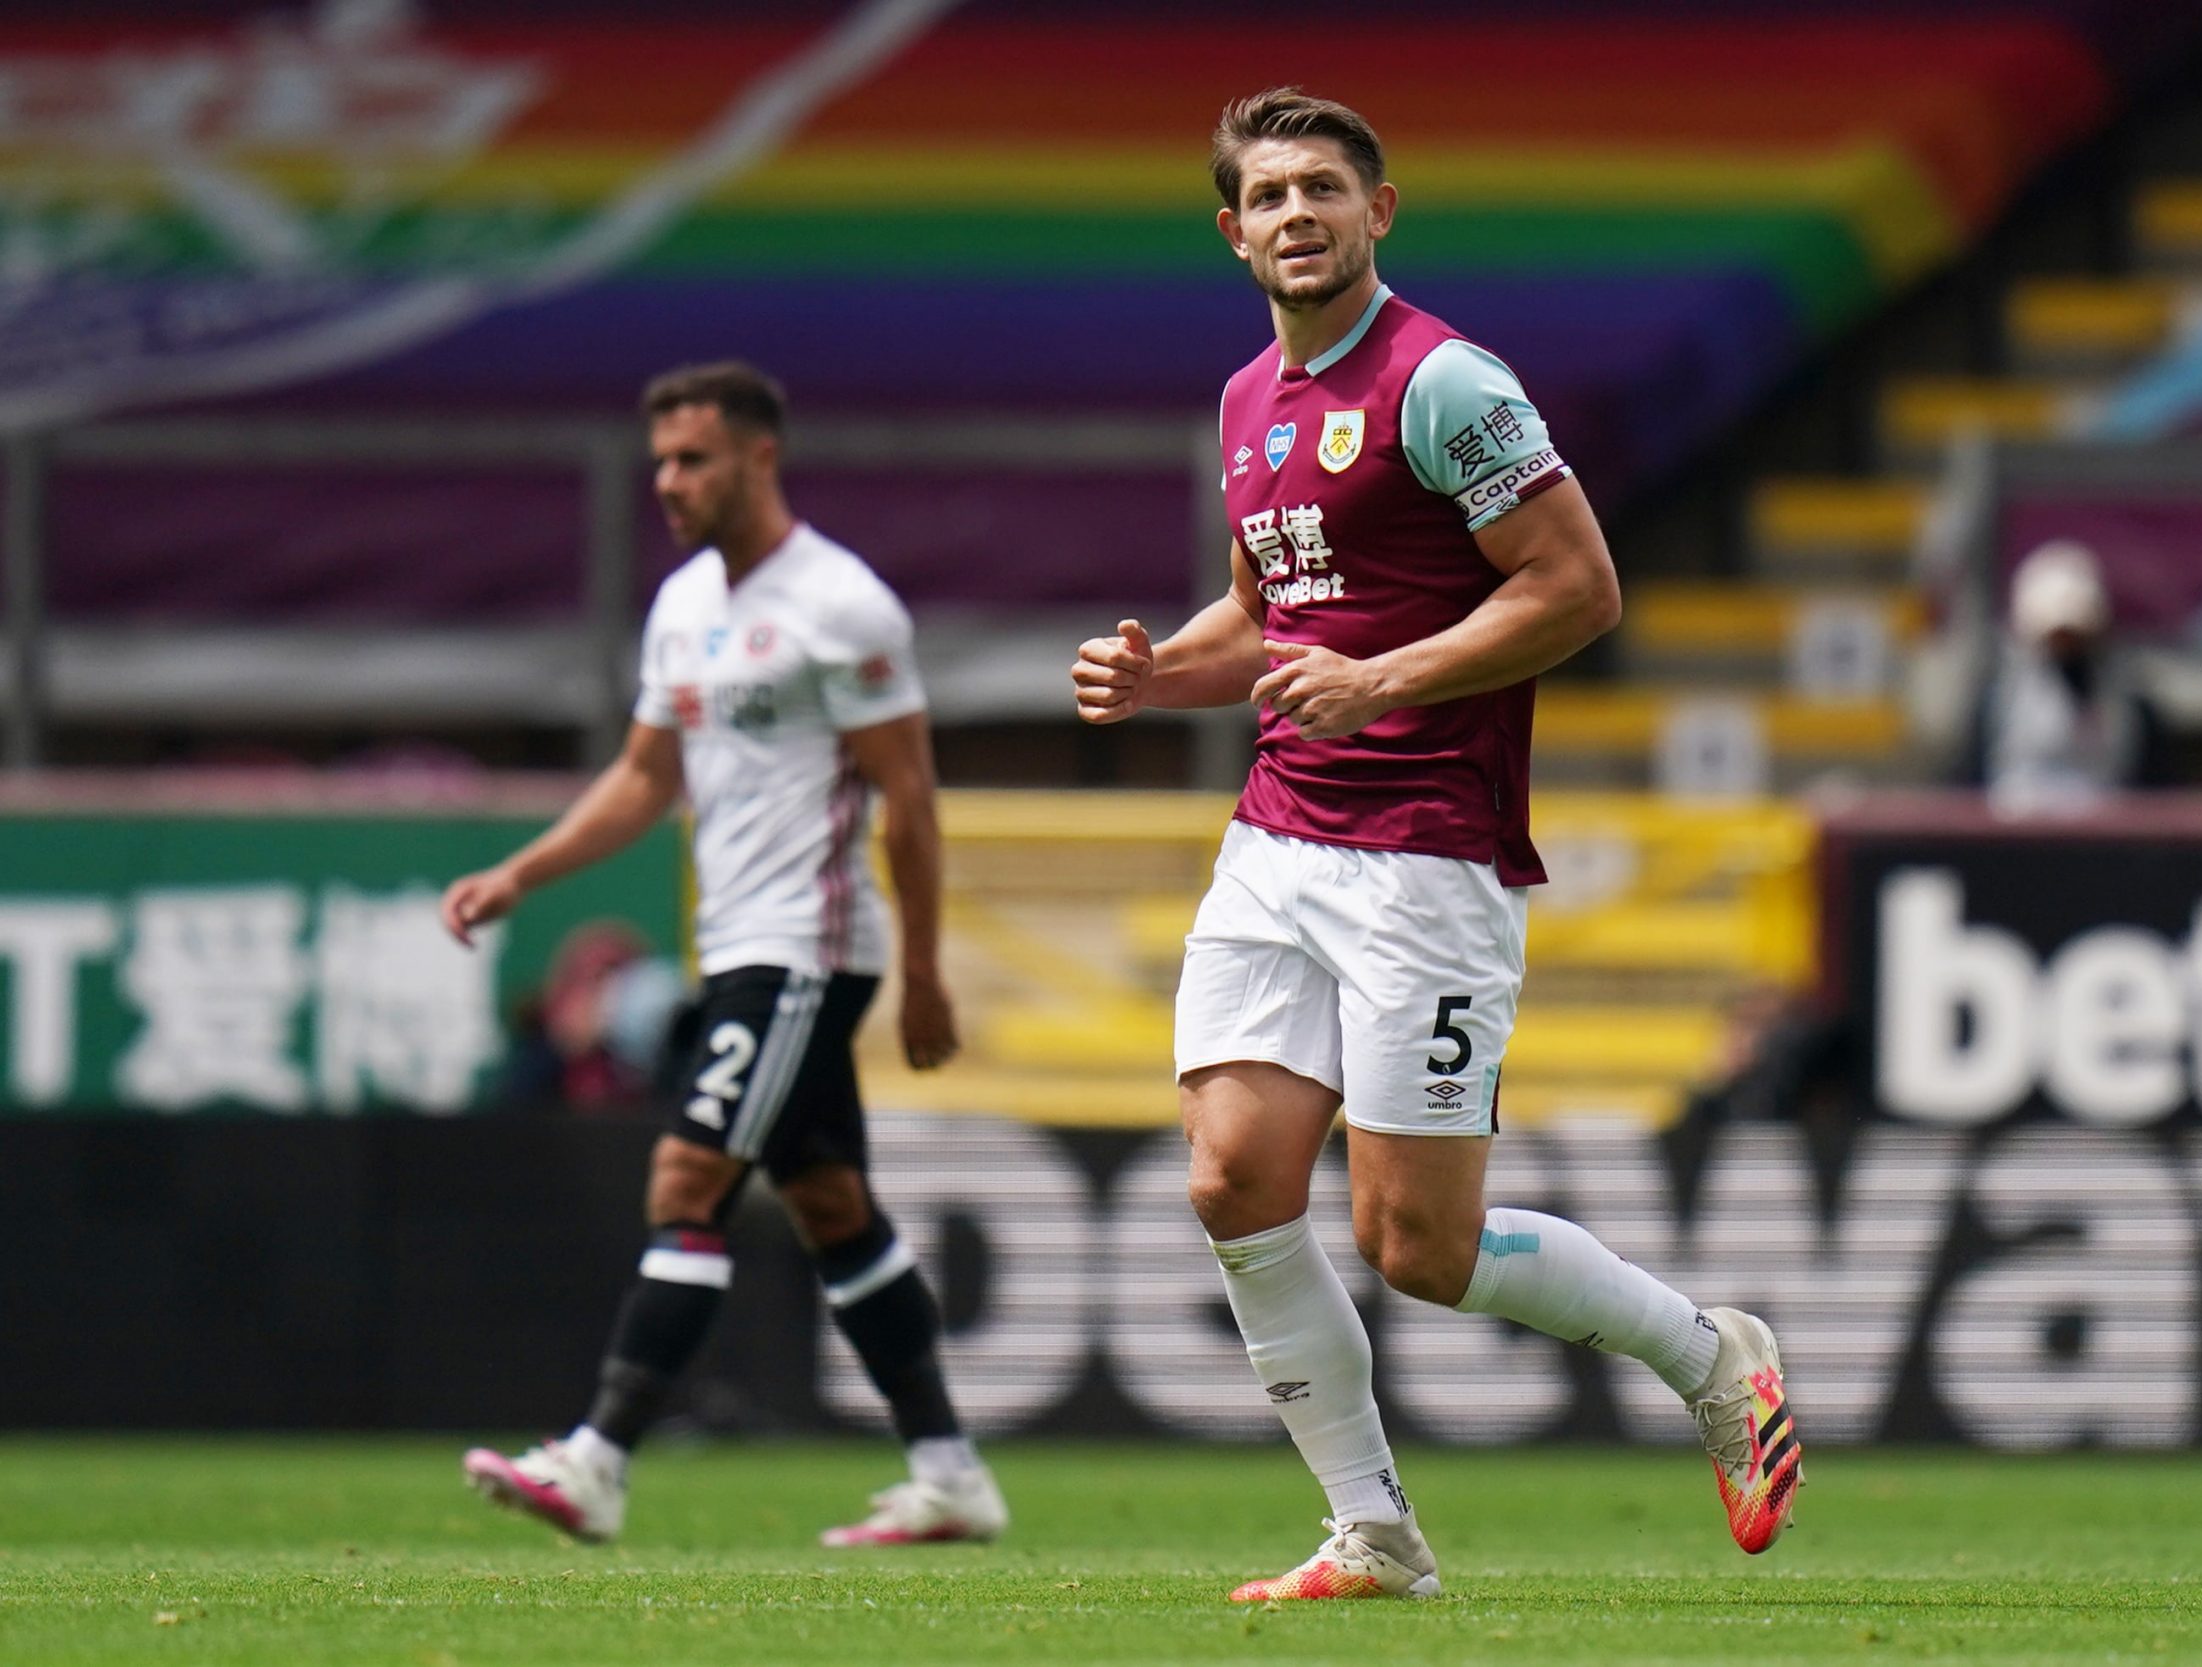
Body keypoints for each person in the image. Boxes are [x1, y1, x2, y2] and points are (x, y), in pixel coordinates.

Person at [1070, 90, 1800, 1602]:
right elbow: (1276, 617)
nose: (1295, 215)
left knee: (1418, 1243)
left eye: (1323, 188)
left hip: (1427, 849)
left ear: (1379, 209)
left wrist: (1384, 679)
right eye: (1267, 195)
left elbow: (1579, 586)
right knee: (1231, 1176)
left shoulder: (1444, 381)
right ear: (1233, 230)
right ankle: (1376, 1531)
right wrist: (1160, 673)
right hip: (1278, 834)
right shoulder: (1242, 402)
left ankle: (1710, 1354)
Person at [441, 361, 1005, 1548]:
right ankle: (951, 1473)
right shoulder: (683, 602)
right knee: (831, 1204)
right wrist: (521, 873)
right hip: (741, 943)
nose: (669, 482)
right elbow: (649, 775)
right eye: (659, 461)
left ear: (760, 456)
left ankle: (596, 1459)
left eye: (692, 458)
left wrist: (926, 968)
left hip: (805, 947)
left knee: (685, 1180)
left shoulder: (841, 604)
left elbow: (909, 795)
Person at [1958, 539, 2173, 814]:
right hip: (2016, 843)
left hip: (2102, 846)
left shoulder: (2129, 704)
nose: (2066, 647)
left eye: (2075, 635)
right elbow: (1971, 786)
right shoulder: (1999, 701)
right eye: (2055, 637)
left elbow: (2157, 789)